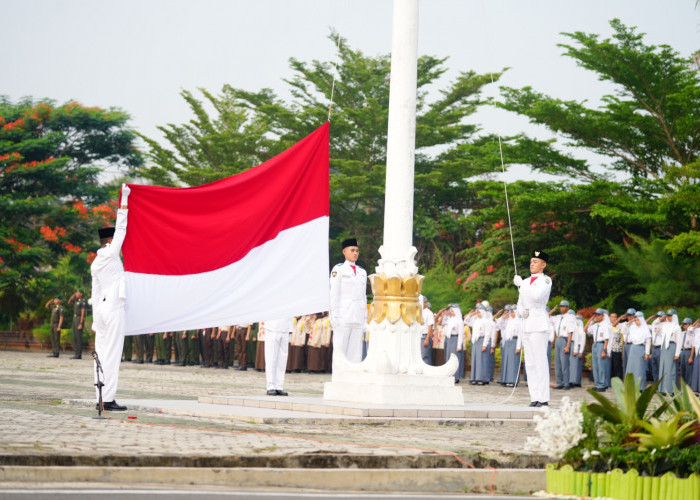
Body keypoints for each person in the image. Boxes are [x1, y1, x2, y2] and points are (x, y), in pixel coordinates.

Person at [91, 184, 129, 412]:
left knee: (101, 353)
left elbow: (94, 294)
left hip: (102, 311)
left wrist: (95, 322)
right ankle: (108, 399)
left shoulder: (95, 263)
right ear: (110, 241)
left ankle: (99, 395)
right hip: (114, 307)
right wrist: (124, 199)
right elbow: (122, 227)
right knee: (113, 353)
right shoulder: (112, 253)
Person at [514, 250, 553, 407]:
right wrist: (520, 310)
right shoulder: (526, 281)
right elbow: (520, 301)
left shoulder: (545, 280)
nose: (532, 264)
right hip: (527, 322)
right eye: (531, 261)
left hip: (538, 323)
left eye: (535, 261)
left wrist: (522, 284)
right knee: (530, 363)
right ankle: (534, 396)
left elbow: (537, 296)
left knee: (540, 361)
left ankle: (543, 398)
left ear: (543, 265)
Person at [329, 238, 367, 363]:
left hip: (357, 317)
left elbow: (363, 296)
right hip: (343, 316)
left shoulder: (362, 272)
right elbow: (334, 294)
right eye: (352, 250)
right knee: (341, 352)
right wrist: (333, 317)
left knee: (355, 354)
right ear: (344, 252)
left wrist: (364, 318)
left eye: (357, 250)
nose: (355, 253)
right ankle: (339, 380)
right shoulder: (338, 269)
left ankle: (353, 380)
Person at [549, 300, 575, 390]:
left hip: (564, 339)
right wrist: (553, 310)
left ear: (567, 307)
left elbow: (570, 332)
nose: (561, 308)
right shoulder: (558, 317)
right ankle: (559, 382)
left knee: (564, 363)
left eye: (563, 306)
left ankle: (566, 383)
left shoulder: (570, 317)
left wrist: (567, 346)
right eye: (560, 306)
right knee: (557, 362)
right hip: (558, 339)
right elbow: (546, 316)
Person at [264, 317, 293, 396]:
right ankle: (270, 386)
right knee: (271, 358)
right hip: (272, 327)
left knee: (282, 360)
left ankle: (279, 386)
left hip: (285, 327)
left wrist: (290, 328)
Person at [624, 311, 652, 389]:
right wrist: (628, 323)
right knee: (631, 368)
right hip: (633, 349)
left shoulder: (645, 328)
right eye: (635, 320)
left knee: (640, 369)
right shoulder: (632, 327)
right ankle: (630, 386)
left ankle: (640, 387)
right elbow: (624, 331)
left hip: (641, 349)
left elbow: (648, 342)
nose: (637, 322)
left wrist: (647, 353)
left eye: (638, 320)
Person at [586, 309, 610, 392]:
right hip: (595, 344)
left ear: (603, 316)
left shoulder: (605, 325)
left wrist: (604, 350)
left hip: (601, 344)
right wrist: (591, 320)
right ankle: (597, 384)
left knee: (601, 366)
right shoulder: (595, 325)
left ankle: (602, 385)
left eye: (598, 315)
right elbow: (585, 329)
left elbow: (607, 339)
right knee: (595, 365)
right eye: (595, 315)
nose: (596, 316)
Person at [658, 309, 682, 395]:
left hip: (672, 347)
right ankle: (662, 389)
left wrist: (677, 354)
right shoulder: (665, 325)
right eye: (667, 315)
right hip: (664, 347)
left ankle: (670, 390)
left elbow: (679, 341)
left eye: (670, 315)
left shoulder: (677, 327)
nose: (669, 317)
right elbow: (656, 328)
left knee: (670, 369)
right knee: (663, 368)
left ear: (674, 316)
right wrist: (660, 319)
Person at [500, 305, 522, 387]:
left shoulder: (519, 322)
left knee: (513, 362)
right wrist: (503, 318)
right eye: (511, 312)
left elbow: (520, 335)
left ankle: (513, 381)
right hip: (508, 342)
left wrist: (518, 347)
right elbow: (500, 326)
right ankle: (506, 379)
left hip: (515, 341)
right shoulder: (509, 321)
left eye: (512, 312)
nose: (511, 314)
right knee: (507, 361)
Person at [68, 290, 87, 359]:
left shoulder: (83, 302)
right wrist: (73, 295)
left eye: (77, 293)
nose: (76, 294)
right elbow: (69, 302)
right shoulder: (76, 301)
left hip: (79, 319)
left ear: (81, 294)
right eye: (75, 292)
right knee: (75, 336)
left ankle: (79, 354)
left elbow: (82, 313)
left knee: (78, 337)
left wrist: (81, 323)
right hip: (75, 319)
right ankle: (76, 353)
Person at [647, 311, 666, 383]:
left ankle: (661, 385)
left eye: (660, 316)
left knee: (660, 367)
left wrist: (662, 318)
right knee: (654, 368)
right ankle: (656, 385)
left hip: (660, 348)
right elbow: (644, 324)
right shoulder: (654, 324)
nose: (659, 318)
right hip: (654, 348)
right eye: (658, 316)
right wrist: (651, 318)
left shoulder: (666, 325)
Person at [569, 312, 585, 388]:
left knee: (575, 365)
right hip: (574, 345)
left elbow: (582, 341)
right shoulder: (576, 327)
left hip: (577, 347)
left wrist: (580, 351)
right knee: (575, 365)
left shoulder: (580, 329)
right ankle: (575, 381)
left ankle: (574, 381)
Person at [680, 318, 695, 386]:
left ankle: (688, 386)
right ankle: (683, 386)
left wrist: (691, 357)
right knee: (682, 369)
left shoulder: (692, 333)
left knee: (688, 370)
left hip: (688, 351)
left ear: (690, 324)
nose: (684, 325)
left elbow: (693, 346)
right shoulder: (682, 333)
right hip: (682, 351)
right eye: (683, 324)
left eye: (685, 324)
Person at [420, 300, 435, 366]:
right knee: (420, 357)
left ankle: (427, 375)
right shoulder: (419, 311)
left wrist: (427, 339)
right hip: (419, 336)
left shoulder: (429, 313)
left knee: (425, 357)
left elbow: (430, 326)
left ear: (425, 303)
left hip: (425, 336)